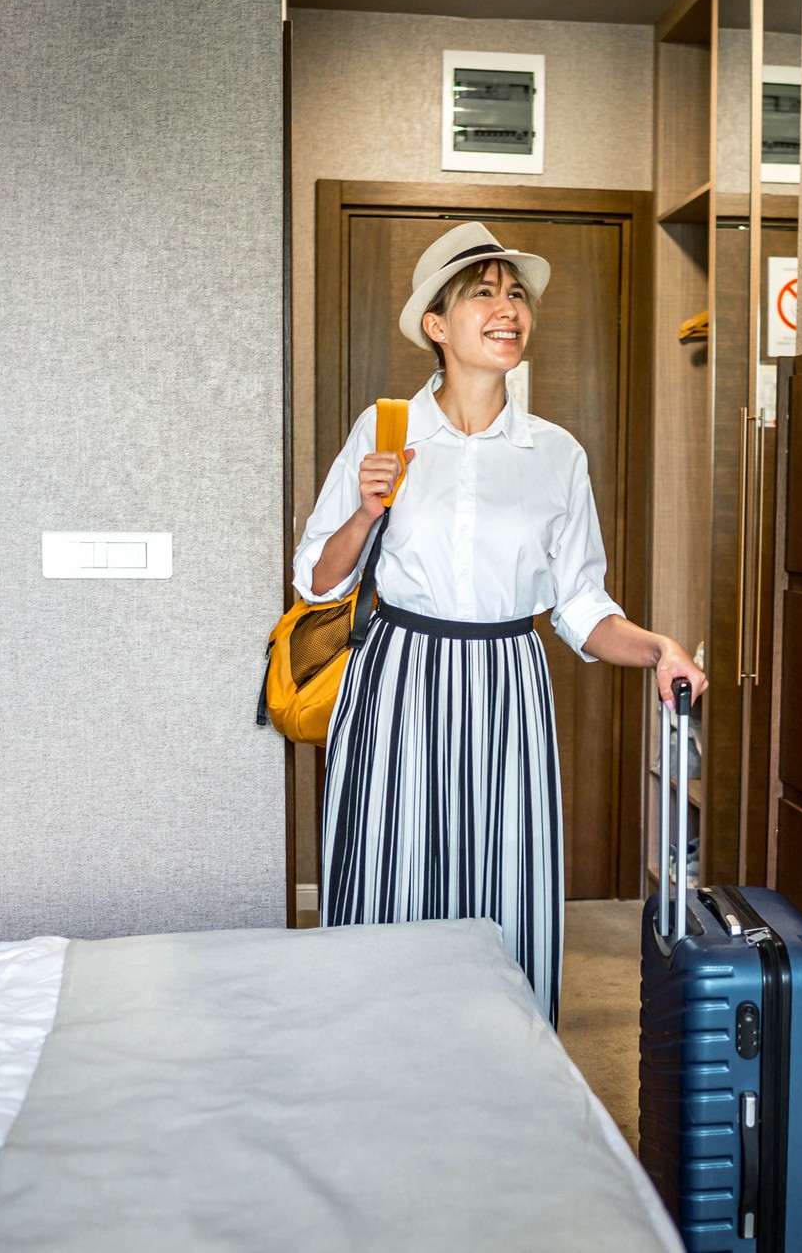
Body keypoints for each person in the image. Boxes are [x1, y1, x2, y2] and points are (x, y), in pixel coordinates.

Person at [293, 222, 708, 1022]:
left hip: (508, 686)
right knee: (390, 874)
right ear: (436, 326)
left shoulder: (556, 454)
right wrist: (365, 512)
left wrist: (656, 647)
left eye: (516, 293)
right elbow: (315, 582)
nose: (508, 306)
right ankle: (373, 1067)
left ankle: (507, 1082)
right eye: (483, 292)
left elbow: (582, 609)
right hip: (398, 680)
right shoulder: (386, 433)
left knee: (505, 889)